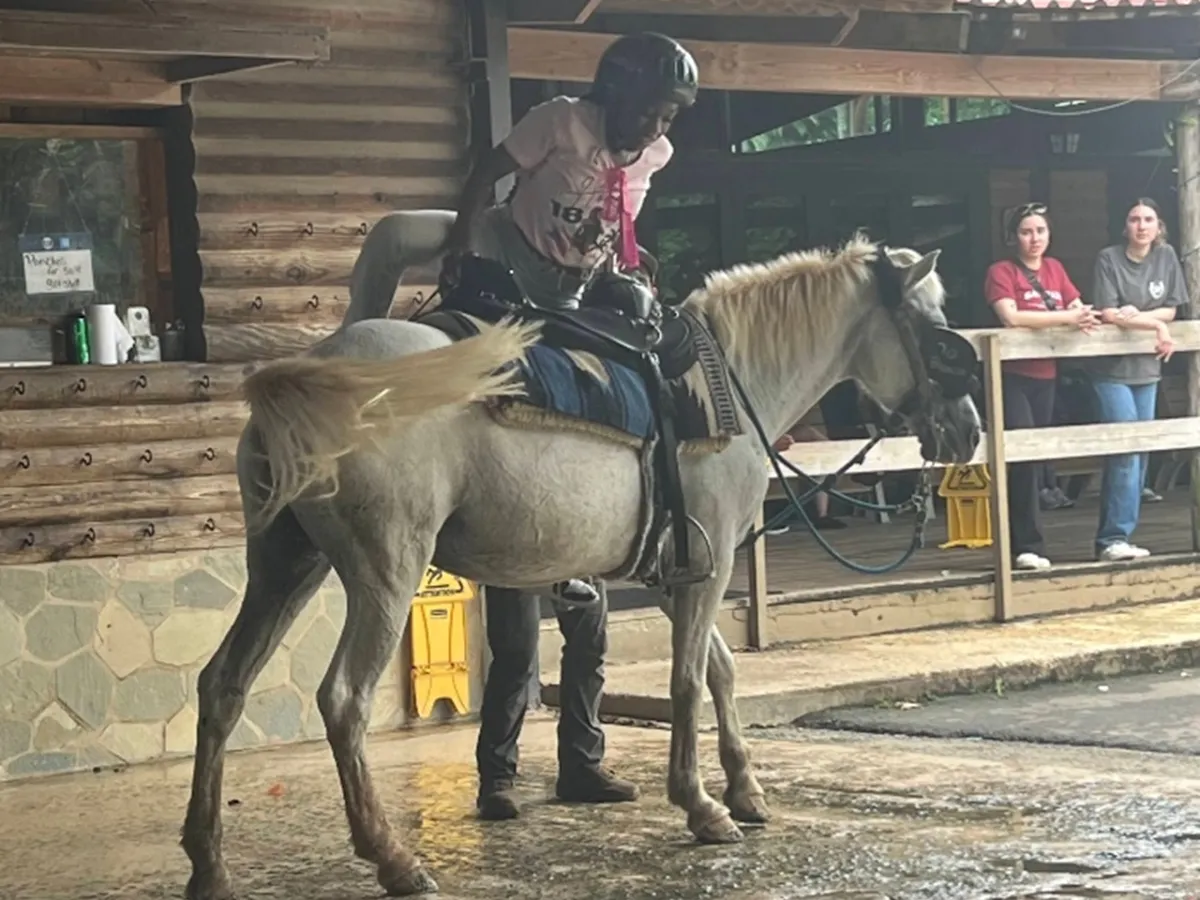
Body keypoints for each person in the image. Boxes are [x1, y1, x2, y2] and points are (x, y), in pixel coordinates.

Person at [440, 32, 700, 821]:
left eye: (666, 116)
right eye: (647, 110)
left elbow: (616, 230)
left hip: (581, 289)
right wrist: (459, 236)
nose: (654, 127)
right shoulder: (560, 120)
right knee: (516, 639)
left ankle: (582, 762)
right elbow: (492, 170)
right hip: (515, 275)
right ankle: (497, 775)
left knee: (587, 627)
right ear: (611, 94)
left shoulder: (651, 157)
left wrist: (629, 268)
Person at [984, 202, 1099, 570]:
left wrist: (1086, 316)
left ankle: (1030, 542)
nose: (1034, 239)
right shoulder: (1001, 271)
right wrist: (1066, 317)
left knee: (1036, 458)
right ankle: (1025, 545)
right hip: (1012, 377)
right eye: (1026, 232)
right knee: (1020, 459)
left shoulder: (1055, 268)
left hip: (1047, 376)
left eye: (1040, 231)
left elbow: (1079, 306)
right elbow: (1011, 317)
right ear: (1013, 237)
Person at [1089, 197, 1184, 562]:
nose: (1141, 226)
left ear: (1159, 227)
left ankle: (1122, 535)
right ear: (1124, 226)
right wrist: (1155, 322)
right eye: (1134, 219)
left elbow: (1172, 308)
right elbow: (1109, 312)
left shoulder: (1167, 256)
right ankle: (1111, 539)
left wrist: (1143, 317)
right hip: (1111, 370)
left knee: (1139, 452)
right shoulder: (1108, 259)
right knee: (1125, 450)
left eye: (1148, 220)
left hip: (1148, 369)